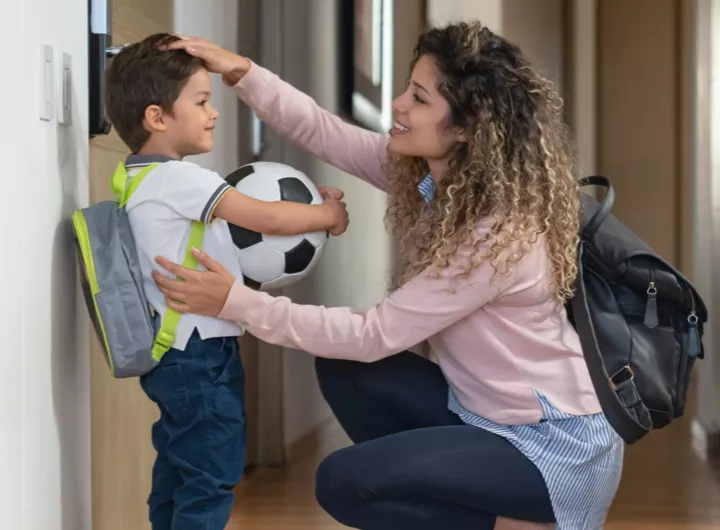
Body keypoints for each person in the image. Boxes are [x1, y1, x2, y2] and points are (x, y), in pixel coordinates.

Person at [153, 21, 625, 530]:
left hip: (552, 447)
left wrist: (234, 302)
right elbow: (321, 129)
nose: (399, 105)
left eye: (418, 99)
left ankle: (520, 524)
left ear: (467, 128)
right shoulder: (435, 180)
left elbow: (374, 333)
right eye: (406, 88)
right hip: (482, 414)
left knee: (345, 481)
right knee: (345, 369)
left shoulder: (498, 232)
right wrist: (241, 71)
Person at [104, 33, 349, 530]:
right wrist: (327, 215)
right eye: (201, 101)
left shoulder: (133, 178)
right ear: (157, 118)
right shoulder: (180, 180)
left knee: (179, 469)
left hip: (171, 353)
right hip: (199, 356)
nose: (213, 112)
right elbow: (266, 219)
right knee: (212, 473)